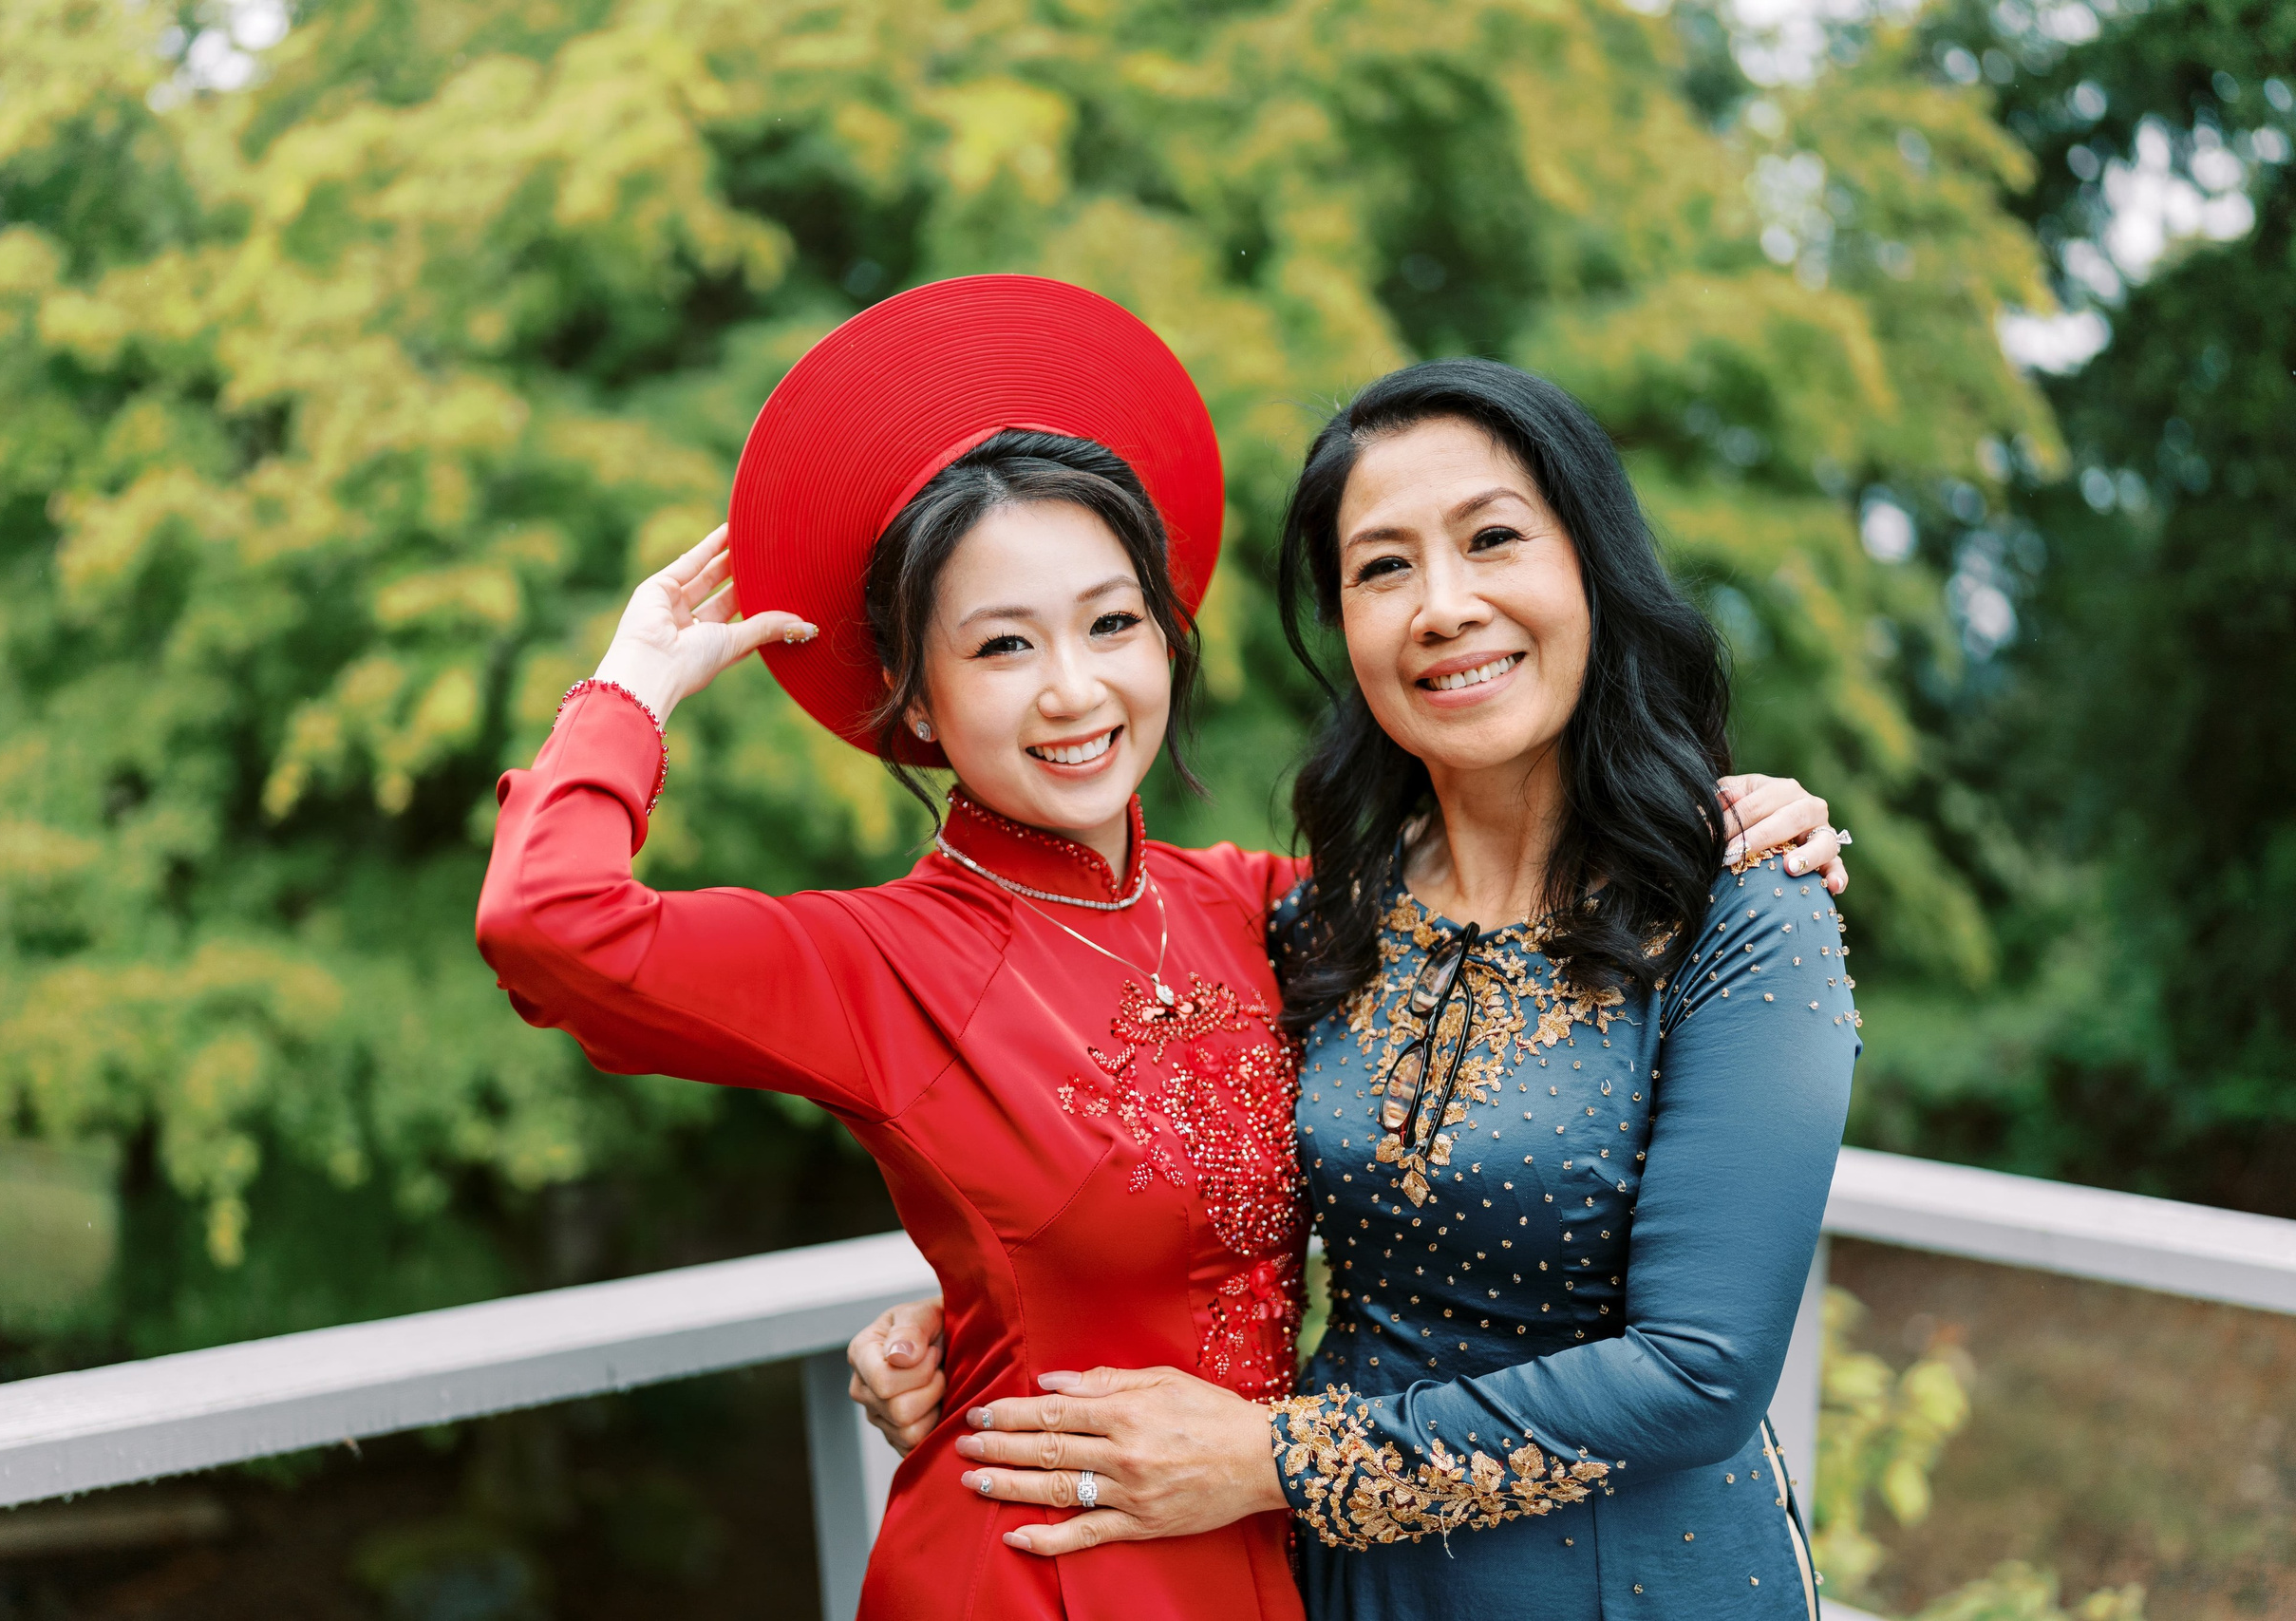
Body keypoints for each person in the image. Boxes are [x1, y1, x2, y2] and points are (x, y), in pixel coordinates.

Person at [479, 278, 1844, 1620]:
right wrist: (628, 691)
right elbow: (553, 932)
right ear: (918, 703)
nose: (1074, 689)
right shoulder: (942, 950)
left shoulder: (1280, 909)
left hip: (1344, 1555)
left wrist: (1729, 811)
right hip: (1085, 1569)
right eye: (1003, 646)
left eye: (1111, 624)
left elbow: (1696, 1354)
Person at [848, 358, 1860, 1621]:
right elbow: (1154, 1161)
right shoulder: (1319, 922)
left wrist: (1265, 1458)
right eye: (1383, 567)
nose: (1442, 606)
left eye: (1493, 540)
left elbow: (1700, 1372)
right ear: (1345, 625)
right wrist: (989, 1307)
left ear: (1592, 566)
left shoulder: (1742, 906)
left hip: (1637, 1584)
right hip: (1345, 1586)